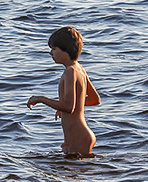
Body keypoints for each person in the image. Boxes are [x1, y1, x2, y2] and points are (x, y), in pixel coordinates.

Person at [26, 26, 101, 157]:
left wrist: (40, 99)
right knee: (69, 173)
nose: (51, 53)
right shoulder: (79, 69)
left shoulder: (70, 72)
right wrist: (63, 106)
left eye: (54, 49)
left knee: (73, 174)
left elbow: (68, 107)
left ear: (66, 51)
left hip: (78, 136)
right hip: (80, 135)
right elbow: (94, 100)